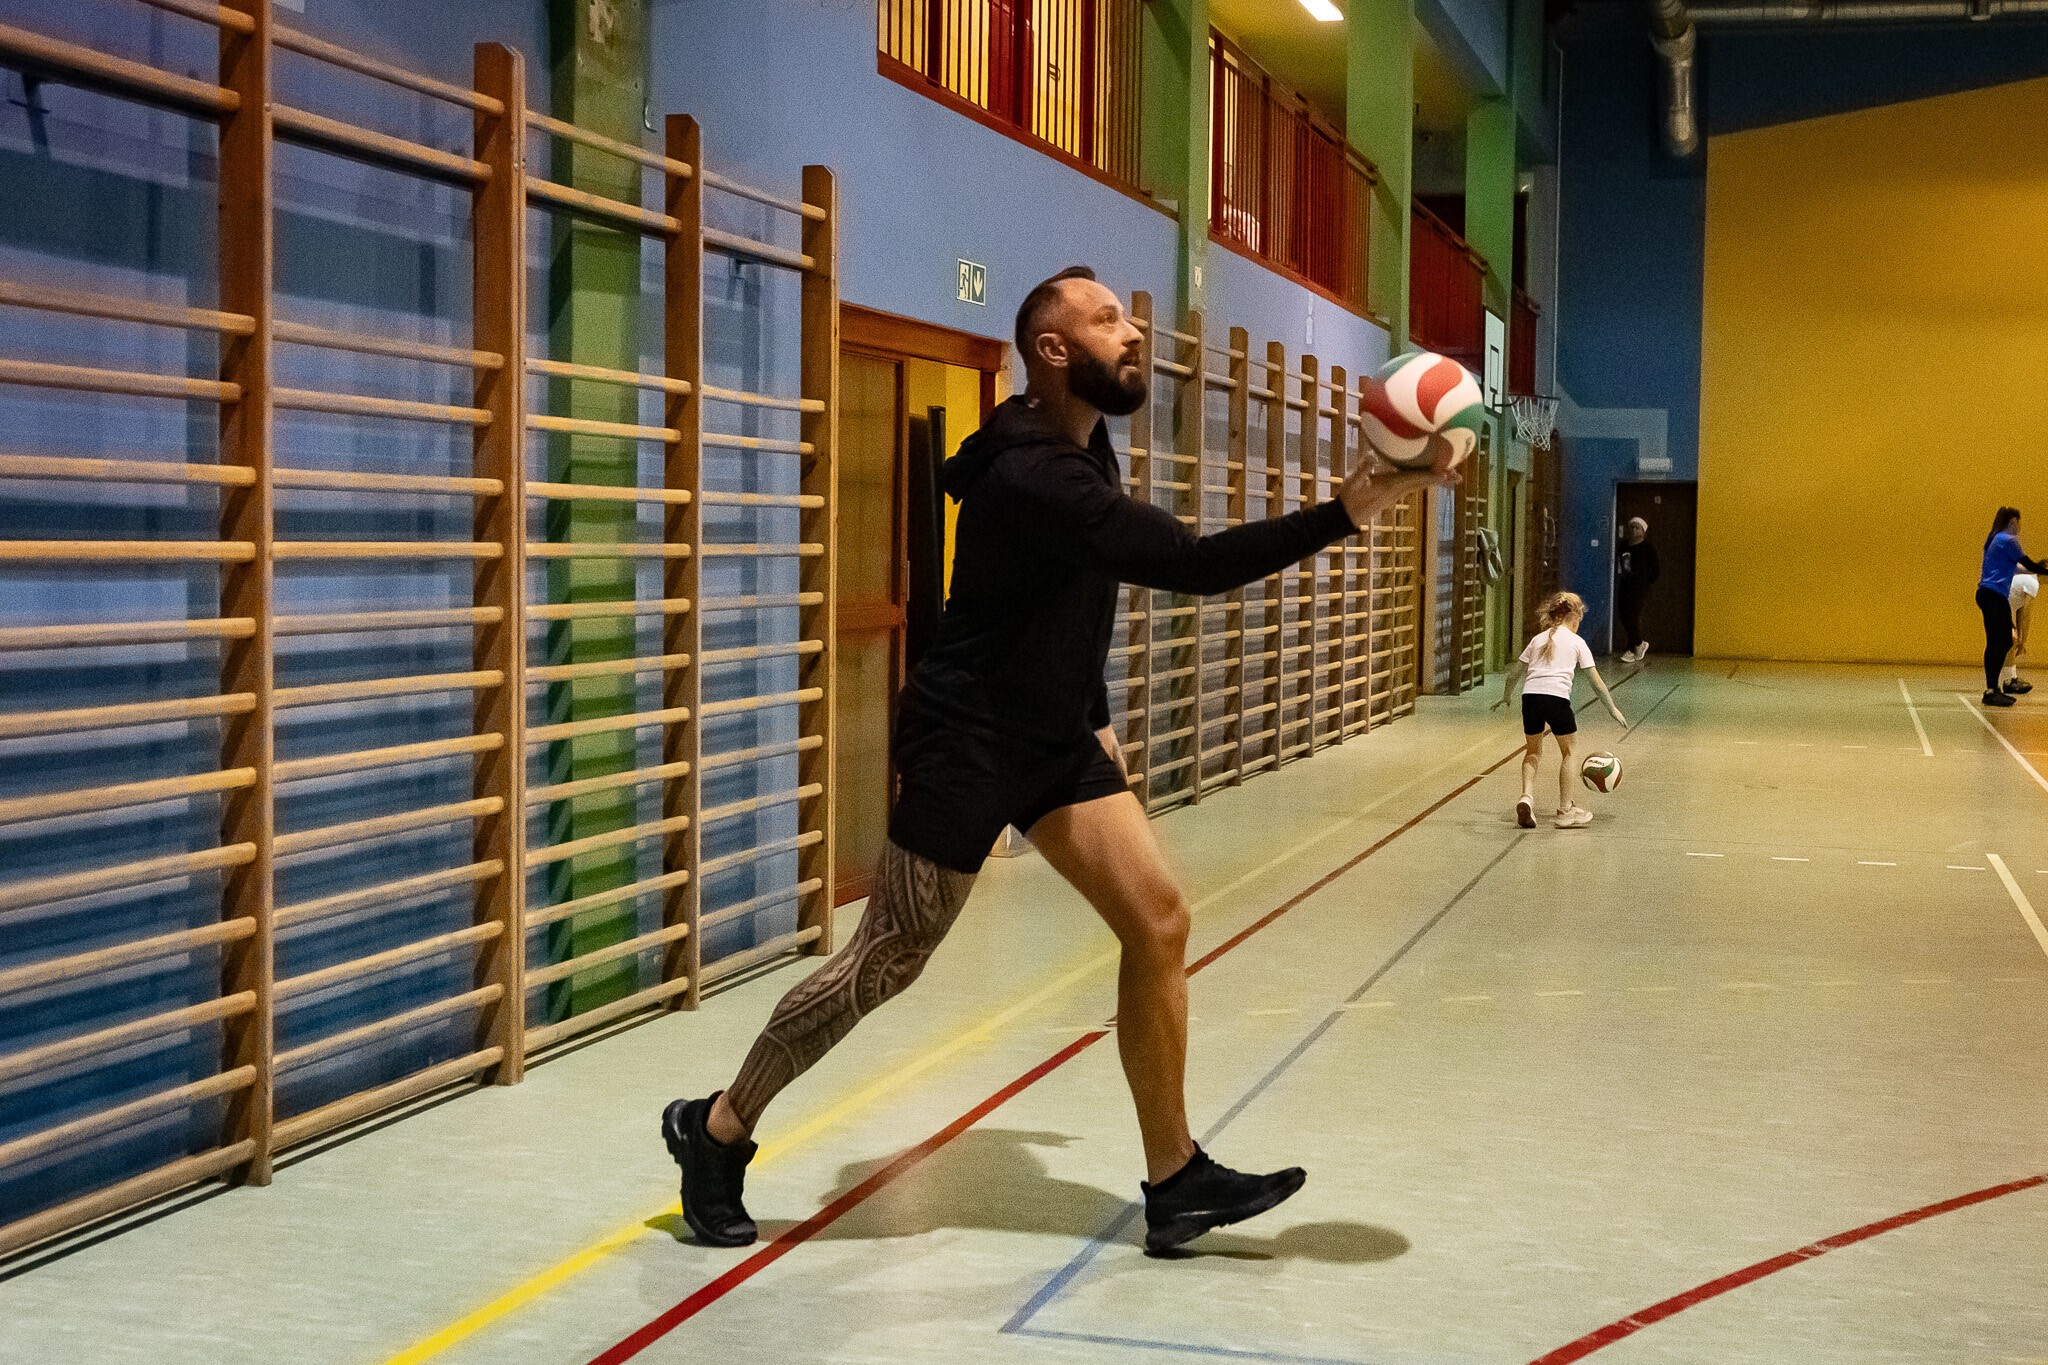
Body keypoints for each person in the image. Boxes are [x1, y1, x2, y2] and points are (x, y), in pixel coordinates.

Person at [661, 267, 1464, 1258]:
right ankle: (715, 1129)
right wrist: (1346, 508)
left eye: (1126, 317)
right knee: (886, 962)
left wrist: (1093, 717)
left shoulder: (1083, 445)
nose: (1133, 334)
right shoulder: (1035, 474)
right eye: (1107, 320)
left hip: (1053, 738)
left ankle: (1173, 1179)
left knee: (1158, 920)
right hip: (966, 742)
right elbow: (1187, 563)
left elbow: (1067, 600)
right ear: (1053, 351)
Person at [1493, 591, 1628, 829]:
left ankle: (1526, 797)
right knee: (1569, 752)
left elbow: (1514, 674)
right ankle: (1566, 810)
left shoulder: (1537, 640)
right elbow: (1596, 682)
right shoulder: (1577, 642)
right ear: (1574, 616)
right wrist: (1612, 708)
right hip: (1556, 699)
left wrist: (1506, 697)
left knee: (1532, 752)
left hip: (1530, 698)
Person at [1978, 508, 2047, 708]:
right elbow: (2030, 565)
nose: (2019, 527)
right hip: (1994, 595)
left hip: (1986, 594)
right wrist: (2043, 571)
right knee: (2001, 642)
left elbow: (2016, 567)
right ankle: (1992, 690)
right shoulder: (2009, 540)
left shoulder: (1994, 538)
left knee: (1997, 642)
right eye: (2018, 522)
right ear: (2011, 522)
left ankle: (1992, 690)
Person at [1614, 517, 1659, 663]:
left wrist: (1645, 582)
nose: (1634, 530)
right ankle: (1638, 644)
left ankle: (1632, 649)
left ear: (1643, 531)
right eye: (1632, 527)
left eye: (1637, 528)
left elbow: (1656, 569)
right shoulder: (1624, 546)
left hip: (1640, 587)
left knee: (1632, 616)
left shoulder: (1648, 547)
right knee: (1623, 615)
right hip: (1625, 584)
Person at [2001, 571, 2037, 696]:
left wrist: (2020, 637)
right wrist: (2023, 641)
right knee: (2010, 640)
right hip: (1997, 604)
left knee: (2011, 640)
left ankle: (2010, 679)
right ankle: (2009, 681)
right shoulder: (2033, 583)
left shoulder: (2026, 579)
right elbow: (2026, 615)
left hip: (1999, 603)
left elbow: (2020, 611)